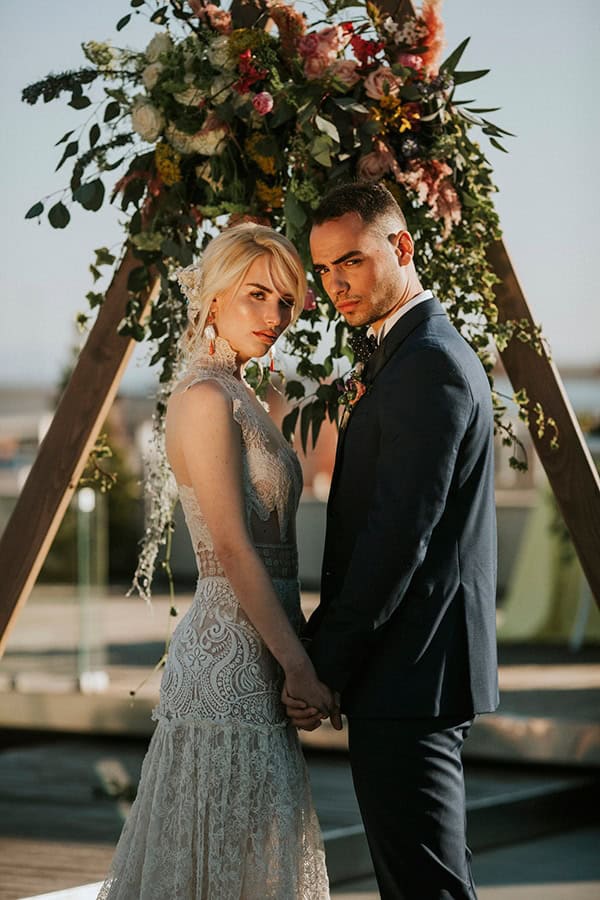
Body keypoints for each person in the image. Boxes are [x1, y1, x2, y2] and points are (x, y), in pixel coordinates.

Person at [98, 224, 333, 899]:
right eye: (257, 294)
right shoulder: (204, 398)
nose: (274, 315)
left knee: (254, 872)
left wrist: (295, 658)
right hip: (227, 665)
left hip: (266, 657)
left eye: (285, 301)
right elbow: (230, 549)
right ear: (215, 295)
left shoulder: (242, 393)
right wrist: (299, 666)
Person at [284, 182, 499, 900]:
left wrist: (324, 663)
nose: (335, 284)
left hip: (414, 672)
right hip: (409, 671)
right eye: (323, 269)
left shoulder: (428, 363)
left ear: (402, 246)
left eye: (351, 260)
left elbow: (396, 537)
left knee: (426, 889)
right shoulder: (405, 355)